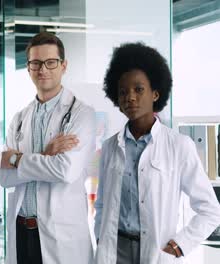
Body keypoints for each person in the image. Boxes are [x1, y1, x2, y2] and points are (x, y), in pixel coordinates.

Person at [94, 42, 220, 264]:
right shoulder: (110, 147)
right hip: (114, 250)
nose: (130, 97)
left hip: (157, 251)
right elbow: (102, 204)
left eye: (138, 89)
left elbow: (211, 209)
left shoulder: (179, 146)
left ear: (155, 94)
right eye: (123, 92)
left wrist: (182, 244)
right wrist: (100, 238)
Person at [0, 32, 96, 264]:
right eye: (36, 63)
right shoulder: (20, 118)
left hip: (61, 236)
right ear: (28, 68)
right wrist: (43, 156)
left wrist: (15, 159)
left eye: (50, 62)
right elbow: (3, 177)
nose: (43, 69)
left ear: (63, 66)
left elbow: (65, 170)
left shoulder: (82, 114)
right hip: (22, 230)